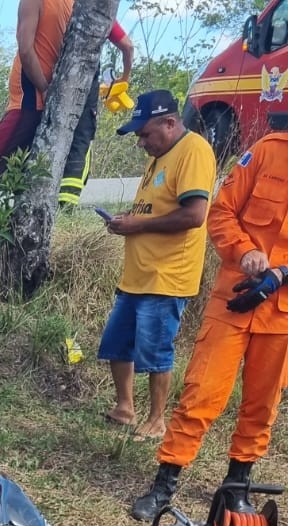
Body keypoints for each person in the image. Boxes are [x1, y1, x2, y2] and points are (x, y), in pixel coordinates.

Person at [131, 112, 288, 526]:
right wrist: (244, 251)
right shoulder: (266, 152)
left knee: (262, 405)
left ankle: (236, 487)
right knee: (200, 393)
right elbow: (221, 213)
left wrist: (280, 272)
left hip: (282, 315)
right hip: (234, 299)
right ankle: (164, 485)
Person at [97, 90, 215, 441]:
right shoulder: (159, 155)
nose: (141, 142)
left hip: (167, 275)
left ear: (170, 122)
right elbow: (154, 209)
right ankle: (125, 408)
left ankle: (157, 419)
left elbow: (194, 216)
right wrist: (127, 220)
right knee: (117, 343)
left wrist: (138, 225)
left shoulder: (193, 151)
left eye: (145, 134)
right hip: (138, 273)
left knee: (155, 350)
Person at [59, 20, 133, 209]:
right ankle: (67, 206)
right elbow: (127, 46)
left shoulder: (59, 8)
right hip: (85, 86)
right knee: (81, 143)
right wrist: (124, 79)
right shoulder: (99, 12)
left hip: (53, 83)